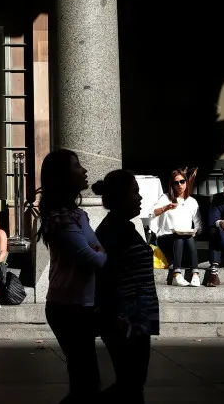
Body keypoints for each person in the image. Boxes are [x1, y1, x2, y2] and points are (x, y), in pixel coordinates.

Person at [37, 150, 107, 403]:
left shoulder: (78, 215)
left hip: (82, 305)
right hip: (68, 307)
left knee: (86, 378)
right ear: (63, 177)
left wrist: (98, 250)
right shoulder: (61, 219)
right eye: (77, 166)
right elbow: (94, 258)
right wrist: (100, 251)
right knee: (85, 380)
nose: (85, 171)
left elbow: (96, 251)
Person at [93, 170, 159, 404]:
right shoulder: (112, 231)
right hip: (126, 319)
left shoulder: (125, 228)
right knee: (130, 384)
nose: (140, 198)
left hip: (137, 316)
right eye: (135, 192)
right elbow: (108, 277)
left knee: (132, 383)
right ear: (120, 197)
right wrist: (118, 316)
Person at [149, 167, 202, 286]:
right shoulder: (166, 198)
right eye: (176, 182)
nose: (179, 185)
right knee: (179, 237)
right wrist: (166, 207)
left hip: (185, 240)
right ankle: (176, 274)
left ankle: (195, 274)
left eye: (182, 181)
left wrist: (194, 231)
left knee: (187, 237)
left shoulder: (192, 202)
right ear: (172, 184)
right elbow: (151, 213)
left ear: (186, 183)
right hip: (166, 238)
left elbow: (199, 225)